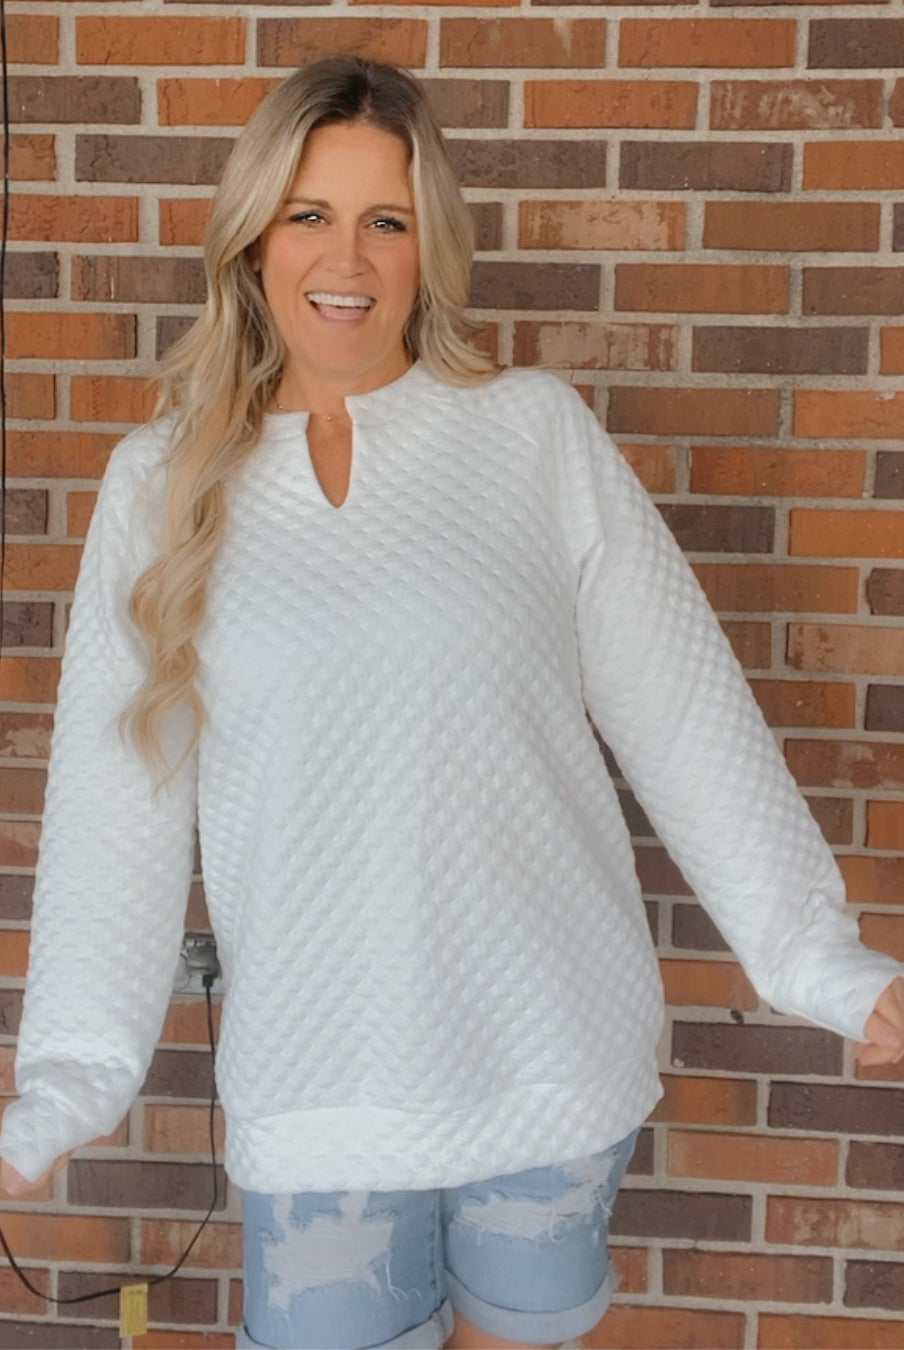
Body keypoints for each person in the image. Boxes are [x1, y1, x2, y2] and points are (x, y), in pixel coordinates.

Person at [1, 55, 902, 1350]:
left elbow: (688, 715)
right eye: (309, 214)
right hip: (319, 1084)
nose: (346, 259)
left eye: (387, 218)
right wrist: (68, 1079)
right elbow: (112, 809)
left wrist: (823, 963)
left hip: (547, 1058)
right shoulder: (161, 486)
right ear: (253, 237)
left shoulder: (533, 435)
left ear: (432, 244)